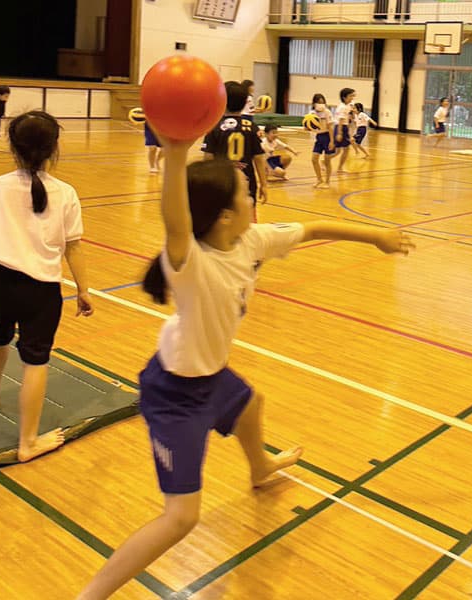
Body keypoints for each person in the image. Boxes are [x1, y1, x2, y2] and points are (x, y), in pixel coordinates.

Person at [76, 131, 414, 600]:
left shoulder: (251, 241)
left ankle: (260, 468)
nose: (253, 198)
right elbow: (175, 220)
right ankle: (92, 593)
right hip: (175, 392)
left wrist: (375, 236)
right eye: (245, 194)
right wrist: (175, 155)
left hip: (210, 375)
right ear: (224, 216)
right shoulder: (190, 262)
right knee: (182, 518)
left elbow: (313, 230)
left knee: (251, 403)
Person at [0, 111, 94, 460]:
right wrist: (84, 290)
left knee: (0, 330)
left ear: (12, 146)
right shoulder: (66, 193)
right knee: (35, 360)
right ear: (53, 148)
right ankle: (27, 443)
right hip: (40, 292)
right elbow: (73, 248)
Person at [201, 81, 267, 216]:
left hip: (221, 182)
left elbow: (208, 159)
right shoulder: (252, 127)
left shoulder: (214, 127)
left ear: (222, 101)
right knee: (248, 221)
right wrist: (264, 184)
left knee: (221, 218)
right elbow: (259, 158)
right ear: (244, 103)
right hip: (246, 181)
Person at [309, 93, 335, 189]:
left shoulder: (327, 112)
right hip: (319, 137)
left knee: (327, 161)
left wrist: (332, 141)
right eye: (319, 102)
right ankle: (319, 179)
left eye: (322, 102)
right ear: (314, 103)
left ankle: (327, 182)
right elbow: (311, 127)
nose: (321, 104)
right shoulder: (312, 113)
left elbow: (330, 127)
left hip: (327, 136)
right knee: (314, 159)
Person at [333, 88, 356, 174]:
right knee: (344, 150)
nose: (352, 97)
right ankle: (328, 162)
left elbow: (350, 117)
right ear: (344, 97)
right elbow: (340, 121)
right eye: (351, 96)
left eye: (353, 95)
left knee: (339, 150)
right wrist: (339, 133)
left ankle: (338, 167)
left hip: (344, 127)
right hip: (340, 127)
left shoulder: (347, 106)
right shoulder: (342, 107)